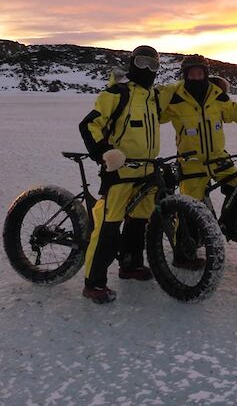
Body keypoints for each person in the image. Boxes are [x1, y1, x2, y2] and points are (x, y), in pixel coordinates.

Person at [160, 54, 237, 261]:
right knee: (190, 208)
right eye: (191, 73)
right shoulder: (174, 96)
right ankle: (183, 251)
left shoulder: (217, 95)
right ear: (185, 75)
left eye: (200, 73)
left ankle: (228, 225)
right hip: (191, 162)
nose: (196, 77)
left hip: (218, 158)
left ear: (206, 74)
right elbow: (154, 115)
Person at [79, 45, 166, 303]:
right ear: (131, 63)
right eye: (141, 62)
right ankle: (93, 283)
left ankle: (130, 266)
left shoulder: (153, 97)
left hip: (147, 170)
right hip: (119, 173)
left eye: (153, 65)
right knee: (108, 226)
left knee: (138, 222)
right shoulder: (117, 93)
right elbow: (89, 124)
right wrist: (104, 153)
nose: (147, 69)